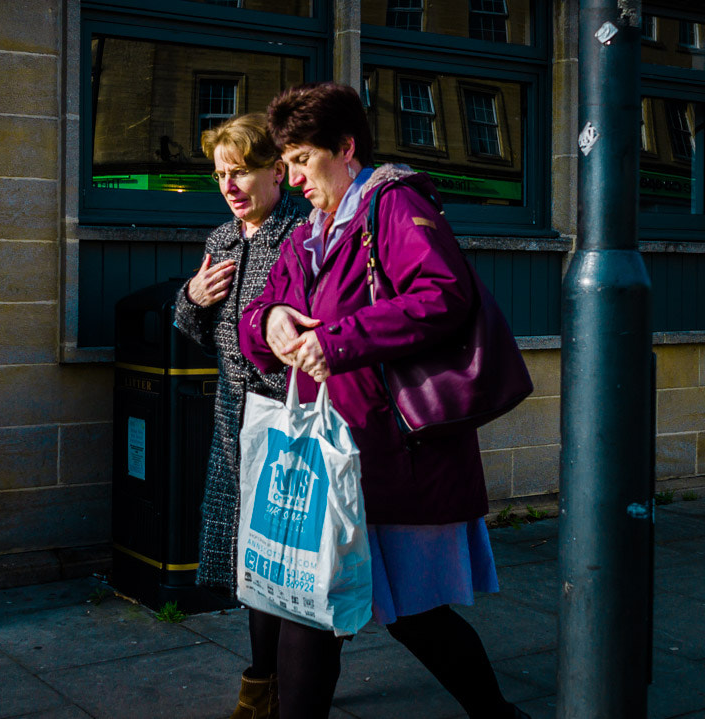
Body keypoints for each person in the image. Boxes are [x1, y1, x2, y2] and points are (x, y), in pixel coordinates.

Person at [237, 82, 531, 719]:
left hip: (394, 452)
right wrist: (272, 322)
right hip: (327, 454)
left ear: (346, 150)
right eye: (284, 163)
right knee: (309, 612)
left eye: (301, 160)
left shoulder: (393, 206)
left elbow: (443, 295)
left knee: (415, 614)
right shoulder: (304, 235)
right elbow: (255, 318)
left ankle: (500, 715)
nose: (290, 180)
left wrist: (337, 342)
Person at [173, 113, 306, 719]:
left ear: (277, 171)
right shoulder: (223, 239)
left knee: (292, 560)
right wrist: (192, 300)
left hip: (293, 419)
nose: (230, 185)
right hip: (236, 418)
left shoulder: (303, 233)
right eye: (221, 174)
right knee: (253, 564)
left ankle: (281, 684)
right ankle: (264, 684)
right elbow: (202, 333)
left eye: (243, 171)